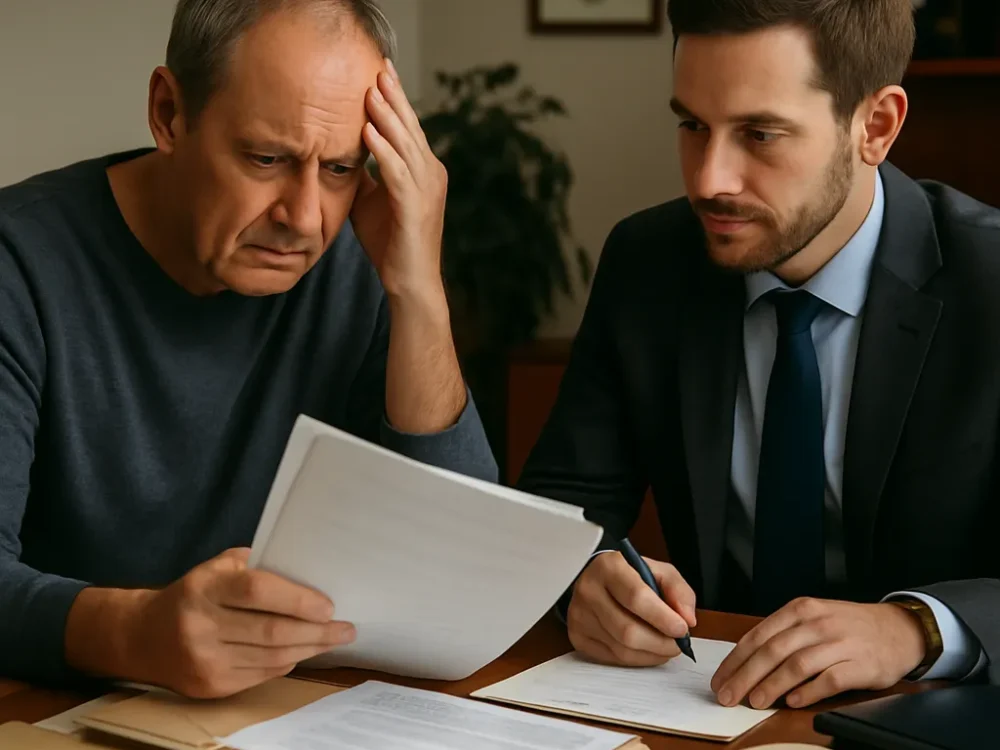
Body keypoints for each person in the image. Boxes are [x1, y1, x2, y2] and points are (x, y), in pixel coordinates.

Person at [0, 0, 497, 698]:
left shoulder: (359, 258)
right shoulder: (18, 264)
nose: (304, 218)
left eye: (340, 169)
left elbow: (466, 572)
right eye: (267, 159)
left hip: (294, 714)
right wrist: (134, 633)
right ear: (169, 114)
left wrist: (418, 291)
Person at [520, 0, 1000, 711]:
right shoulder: (648, 262)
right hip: (706, 707)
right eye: (693, 125)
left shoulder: (989, 281)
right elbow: (562, 502)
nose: (709, 180)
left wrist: (915, 629)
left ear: (875, 126)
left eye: (760, 134)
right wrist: (582, 577)